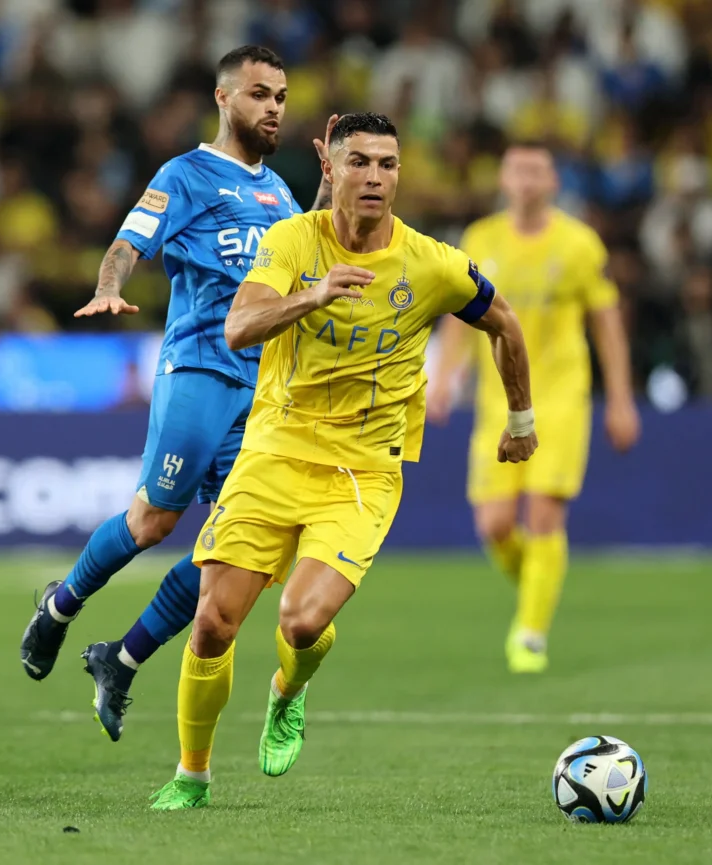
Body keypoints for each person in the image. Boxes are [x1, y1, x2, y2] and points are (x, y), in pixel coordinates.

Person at [147, 112, 537, 810]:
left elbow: (503, 321)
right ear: (330, 166)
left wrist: (520, 416)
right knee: (212, 621)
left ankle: (287, 691)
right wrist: (313, 295)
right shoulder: (292, 240)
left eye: (387, 165)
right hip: (274, 451)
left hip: (362, 469)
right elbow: (238, 326)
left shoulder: (432, 264)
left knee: (299, 620)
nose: (375, 178)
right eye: (359, 162)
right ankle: (191, 775)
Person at [19, 46, 337, 742]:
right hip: (199, 369)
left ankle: (121, 658)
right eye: (260, 93)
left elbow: (302, 254)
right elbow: (129, 242)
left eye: (282, 95)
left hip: (259, 393)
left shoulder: (281, 192)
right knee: (153, 523)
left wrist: (329, 191)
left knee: (237, 555)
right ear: (225, 99)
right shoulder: (186, 174)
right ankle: (60, 606)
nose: (274, 106)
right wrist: (109, 288)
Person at [427, 142, 640, 674]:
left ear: (553, 182)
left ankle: (530, 633)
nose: (526, 180)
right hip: (497, 397)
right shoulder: (481, 238)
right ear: (502, 178)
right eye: (518, 170)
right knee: (495, 525)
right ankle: (539, 590)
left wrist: (620, 399)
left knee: (544, 509)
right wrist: (444, 375)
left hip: (562, 394)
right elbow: (459, 312)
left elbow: (607, 322)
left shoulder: (578, 243)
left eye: (537, 171)